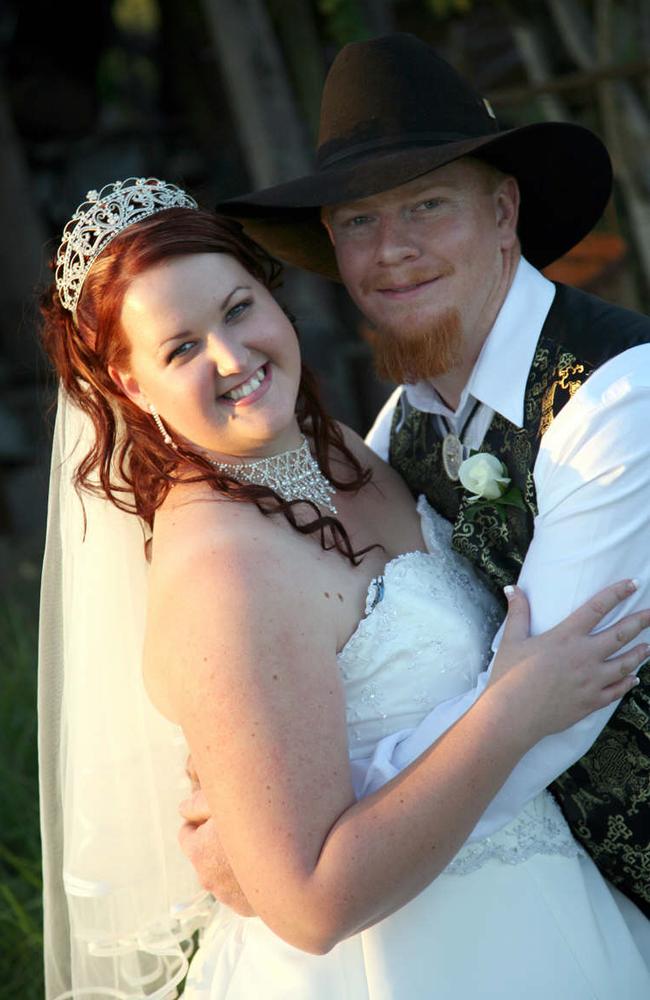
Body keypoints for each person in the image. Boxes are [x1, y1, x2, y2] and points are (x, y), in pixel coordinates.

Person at [38, 176, 650, 1000]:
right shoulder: (222, 569)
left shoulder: (362, 451)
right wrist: (508, 711)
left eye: (238, 309)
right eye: (181, 349)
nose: (231, 357)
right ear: (132, 387)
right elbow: (312, 906)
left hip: (546, 913)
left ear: (274, 298)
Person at [178, 31, 650, 919]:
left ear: (504, 212)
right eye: (359, 220)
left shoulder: (622, 403)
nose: (390, 249)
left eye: (427, 205)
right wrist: (266, 794)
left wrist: (305, 834)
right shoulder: (399, 431)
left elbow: (554, 717)